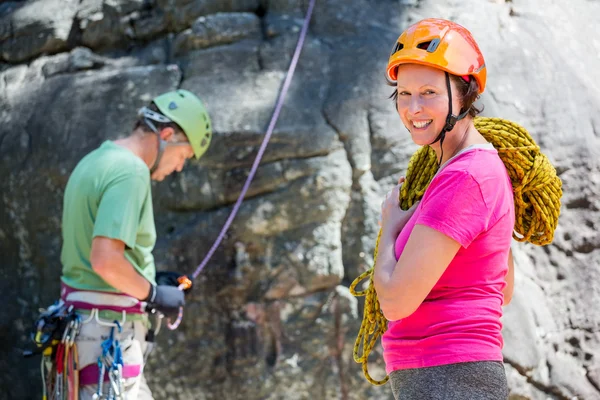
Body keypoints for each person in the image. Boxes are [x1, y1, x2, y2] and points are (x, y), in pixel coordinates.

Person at [373, 18, 515, 399]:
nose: (412, 108)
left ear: (465, 95)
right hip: (451, 377)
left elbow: (396, 302)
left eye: (429, 92)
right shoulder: (468, 169)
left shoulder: (466, 177)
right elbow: (501, 289)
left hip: (447, 377)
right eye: (403, 94)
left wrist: (389, 227)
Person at [59, 89, 212, 399]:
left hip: (84, 333)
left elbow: (92, 261)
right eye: (183, 156)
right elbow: (105, 261)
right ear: (167, 135)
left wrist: (151, 280)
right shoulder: (131, 171)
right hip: (106, 339)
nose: (179, 167)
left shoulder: (96, 160)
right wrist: (154, 295)